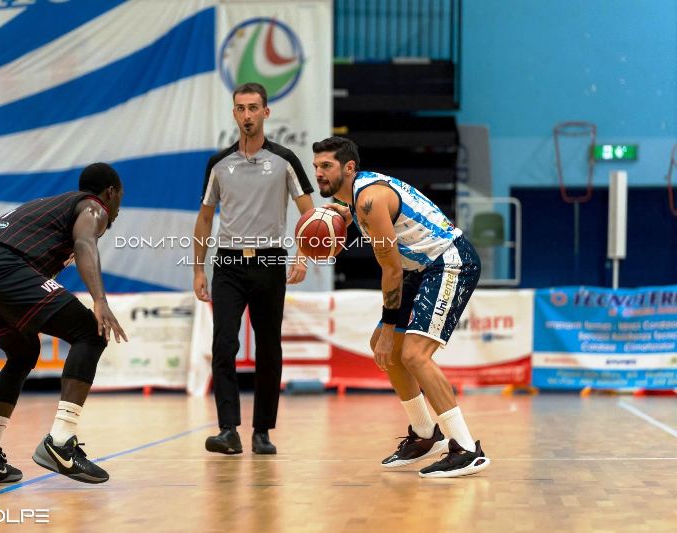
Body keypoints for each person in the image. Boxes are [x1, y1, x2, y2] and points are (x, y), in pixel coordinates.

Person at [0, 162, 128, 484]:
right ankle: (61, 442)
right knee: (91, 333)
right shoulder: (94, 207)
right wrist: (100, 301)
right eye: (120, 198)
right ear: (110, 193)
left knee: (23, 353)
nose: (118, 208)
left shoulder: (43, 211)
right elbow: (84, 243)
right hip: (2, 269)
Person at [312, 137, 490, 478]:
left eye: (327, 166)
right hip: (422, 267)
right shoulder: (360, 199)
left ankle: (466, 448)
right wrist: (346, 218)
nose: (319, 173)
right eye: (317, 166)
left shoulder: (369, 201)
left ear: (349, 168)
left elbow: (391, 269)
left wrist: (388, 326)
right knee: (389, 350)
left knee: (413, 354)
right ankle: (425, 435)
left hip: (449, 261)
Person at [193, 82, 314, 455]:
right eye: (241, 108)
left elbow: (310, 213)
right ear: (234, 113)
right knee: (224, 344)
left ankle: (262, 431)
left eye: (253, 108)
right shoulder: (218, 164)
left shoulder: (285, 160)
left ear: (266, 112)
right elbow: (205, 219)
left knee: (268, 348)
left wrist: (303, 256)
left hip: (270, 261)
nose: (247, 115)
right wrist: (198, 270)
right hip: (228, 262)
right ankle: (228, 430)